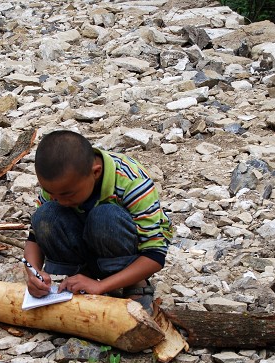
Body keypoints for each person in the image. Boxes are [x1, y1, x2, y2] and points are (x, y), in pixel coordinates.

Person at [23, 130, 173, 313]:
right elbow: (34, 237)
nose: (59, 200)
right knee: (46, 215)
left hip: (124, 250)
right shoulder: (58, 186)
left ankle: (133, 284)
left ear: (96, 172)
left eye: (67, 194)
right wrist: (33, 272)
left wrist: (100, 286)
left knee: (105, 217)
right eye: (50, 192)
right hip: (82, 247)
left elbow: (155, 254)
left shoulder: (132, 181)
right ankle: (79, 278)